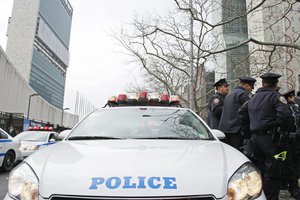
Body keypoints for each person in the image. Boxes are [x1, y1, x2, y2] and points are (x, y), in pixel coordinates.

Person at [238, 72, 294, 200]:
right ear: (275, 84)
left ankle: (259, 196)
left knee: (259, 170)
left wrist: (248, 130)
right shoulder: (276, 97)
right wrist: (284, 130)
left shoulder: (253, 98)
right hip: (271, 139)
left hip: (255, 139)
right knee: (273, 171)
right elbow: (285, 116)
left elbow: (241, 112)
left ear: (263, 83)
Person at [219, 76, 256, 150]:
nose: (251, 89)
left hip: (225, 130)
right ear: (246, 86)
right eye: (251, 87)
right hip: (237, 131)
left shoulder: (229, 95)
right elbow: (250, 111)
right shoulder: (244, 94)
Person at [281, 89, 300, 199]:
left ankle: (287, 183)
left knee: (289, 161)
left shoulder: (286, 108)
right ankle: (292, 185)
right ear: (290, 97)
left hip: (290, 139)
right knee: (293, 162)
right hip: (293, 139)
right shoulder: (293, 108)